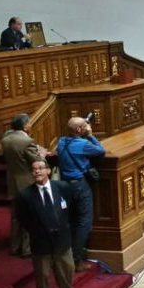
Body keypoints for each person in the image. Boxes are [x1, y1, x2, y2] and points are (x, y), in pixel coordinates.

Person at [16, 160, 75, 288]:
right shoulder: (25, 195)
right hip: (41, 244)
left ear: (48, 171)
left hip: (62, 241)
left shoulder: (63, 187)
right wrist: (39, 232)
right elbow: (23, 219)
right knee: (43, 278)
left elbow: (72, 210)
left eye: (40, 168)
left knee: (67, 274)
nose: (37, 171)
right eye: (34, 169)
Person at [56, 117, 105, 272]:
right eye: (84, 126)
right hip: (79, 185)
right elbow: (100, 150)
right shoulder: (83, 144)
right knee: (84, 222)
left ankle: (66, 257)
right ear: (79, 130)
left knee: (71, 220)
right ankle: (77, 260)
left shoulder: (61, 141)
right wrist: (90, 134)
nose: (87, 126)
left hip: (65, 186)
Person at [3, 113, 47, 257]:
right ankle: (27, 249)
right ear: (24, 125)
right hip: (27, 182)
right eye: (29, 123)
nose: (30, 125)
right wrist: (42, 154)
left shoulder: (5, 139)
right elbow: (38, 163)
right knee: (30, 215)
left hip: (12, 181)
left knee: (16, 216)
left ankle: (15, 246)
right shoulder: (27, 141)